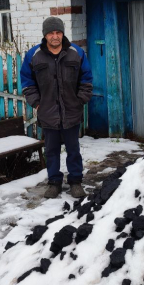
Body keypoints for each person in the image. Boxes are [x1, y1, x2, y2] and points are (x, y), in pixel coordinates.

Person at [20, 17, 93, 199]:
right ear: (45, 35)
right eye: (51, 33)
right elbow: (27, 82)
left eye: (58, 32)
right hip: (48, 112)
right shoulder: (33, 55)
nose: (55, 36)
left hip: (71, 111)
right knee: (51, 150)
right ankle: (54, 182)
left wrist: (80, 100)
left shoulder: (76, 53)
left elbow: (86, 78)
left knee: (73, 149)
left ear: (62, 33)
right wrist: (37, 102)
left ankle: (75, 181)